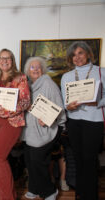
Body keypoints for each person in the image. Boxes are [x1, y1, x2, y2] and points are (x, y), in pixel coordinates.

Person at [61, 41, 105, 200]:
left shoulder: (101, 72)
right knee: (78, 159)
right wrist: (68, 106)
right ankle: (79, 194)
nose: (77, 57)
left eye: (80, 53)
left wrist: (97, 102)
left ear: (88, 54)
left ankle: (91, 196)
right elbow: (64, 100)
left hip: (94, 121)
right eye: (73, 55)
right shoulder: (67, 76)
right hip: (74, 122)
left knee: (89, 160)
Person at [0, 49, 30, 200]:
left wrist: (5, 113)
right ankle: (6, 193)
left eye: (8, 58)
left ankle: (7, 197)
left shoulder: (20, 78)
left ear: (12, 61)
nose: (5, 61)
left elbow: (25, 102)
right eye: (2, 58)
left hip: (11, 122)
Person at [22, 57, 66, 200]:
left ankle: (49, 191)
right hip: (30, 130)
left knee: (38, 161)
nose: (35, 69)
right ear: (27, 71)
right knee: (29, 159)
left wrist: (48, 120)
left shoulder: (48, 83)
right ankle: (34, 189)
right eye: (32, 67)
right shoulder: (28, 85)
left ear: (43, 69)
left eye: (38, 67)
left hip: (46, 129)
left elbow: (58, 107)